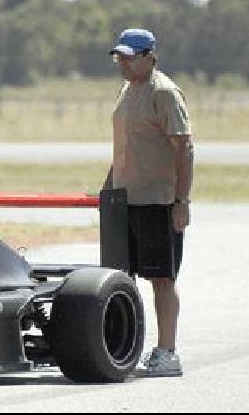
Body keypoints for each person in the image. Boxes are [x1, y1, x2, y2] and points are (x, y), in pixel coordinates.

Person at [103, 28, 194, 378]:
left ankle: (167, 351)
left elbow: (184, 149)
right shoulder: (128, 90)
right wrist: (108, 189)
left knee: (162, 278)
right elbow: (126, 145)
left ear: (150, 57)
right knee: (121, 277)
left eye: (129, 56)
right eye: (119, 57)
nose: (122, 63)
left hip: (158, 201)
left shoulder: (165, 93)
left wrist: (181, 200)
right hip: (126, 199)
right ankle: (125, 346)